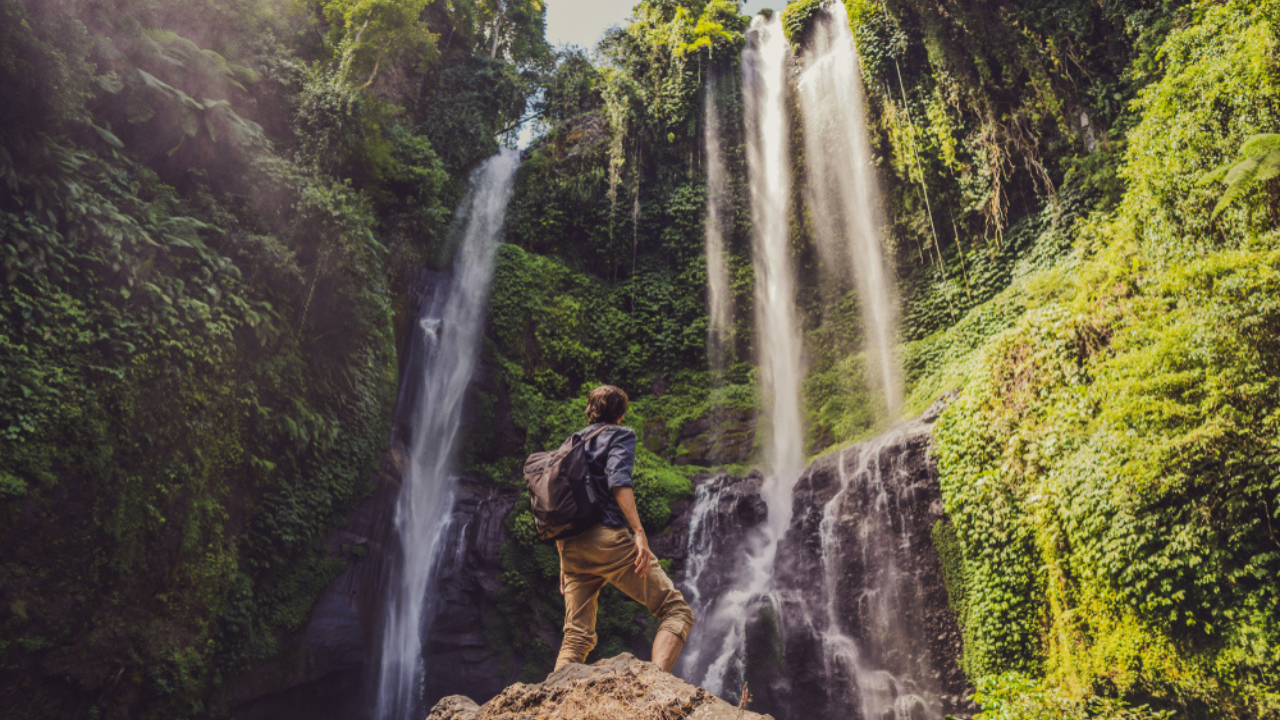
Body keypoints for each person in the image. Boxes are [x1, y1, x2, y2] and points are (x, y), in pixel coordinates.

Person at [554, 384, 694, 673]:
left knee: (576, 637)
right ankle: (656, 688)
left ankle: (549, 697)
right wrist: (639, 533)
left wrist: (563, 560)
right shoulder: (620, 435)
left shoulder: (571, 443)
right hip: (608, 542)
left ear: (589, 410)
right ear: (621, 414)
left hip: (572, 546)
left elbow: (558, 503)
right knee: (676, 610)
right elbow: (618, 479)